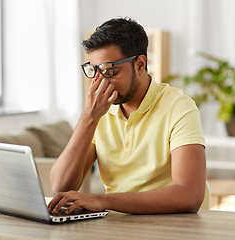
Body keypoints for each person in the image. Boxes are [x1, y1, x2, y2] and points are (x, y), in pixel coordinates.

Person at [48, 17, 206, 215]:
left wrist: (102, 201)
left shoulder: (179, 107)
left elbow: (189, 195)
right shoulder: (99, 111)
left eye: (109, 70)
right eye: (95, 71)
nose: (100, 83)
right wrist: (89, 117)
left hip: (170, 225)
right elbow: (60, 187)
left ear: (140, 63)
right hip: (116, 226)